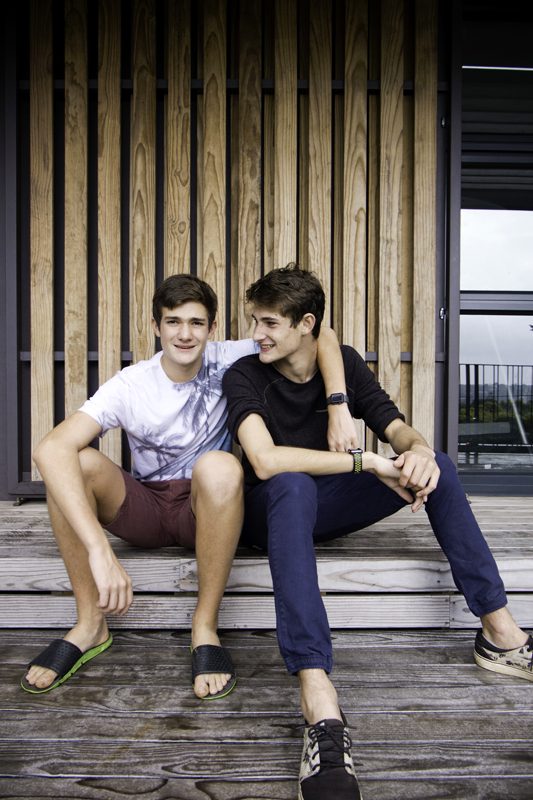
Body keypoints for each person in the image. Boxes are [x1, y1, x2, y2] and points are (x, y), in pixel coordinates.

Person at [222, 264, 533, 800]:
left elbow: (397, 426)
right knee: (292, 483)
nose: (257, 334)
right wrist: (368, 461)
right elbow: (266, 461)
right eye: (255, 321)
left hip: (323, 506)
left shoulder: (341, 365)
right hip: (264, 513)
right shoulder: (245, 375)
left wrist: (416, 452)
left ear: (306, 324)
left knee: (439, 464)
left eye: (269, 323)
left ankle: (500, 634)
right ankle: (318, 696)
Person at [22, 273, 355, 700]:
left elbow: (322, 334)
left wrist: (338, 404)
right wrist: (98, 549)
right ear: (156, 326)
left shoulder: (232, 356)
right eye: (173, 322)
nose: (185, 334)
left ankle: (205, 625)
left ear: (212, 328)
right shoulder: (131, 384)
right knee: (71, 463)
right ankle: (90, 623)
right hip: (145, 506)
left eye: (196, 323)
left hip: (206, 507)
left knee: (221, 465)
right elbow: (49, 450)